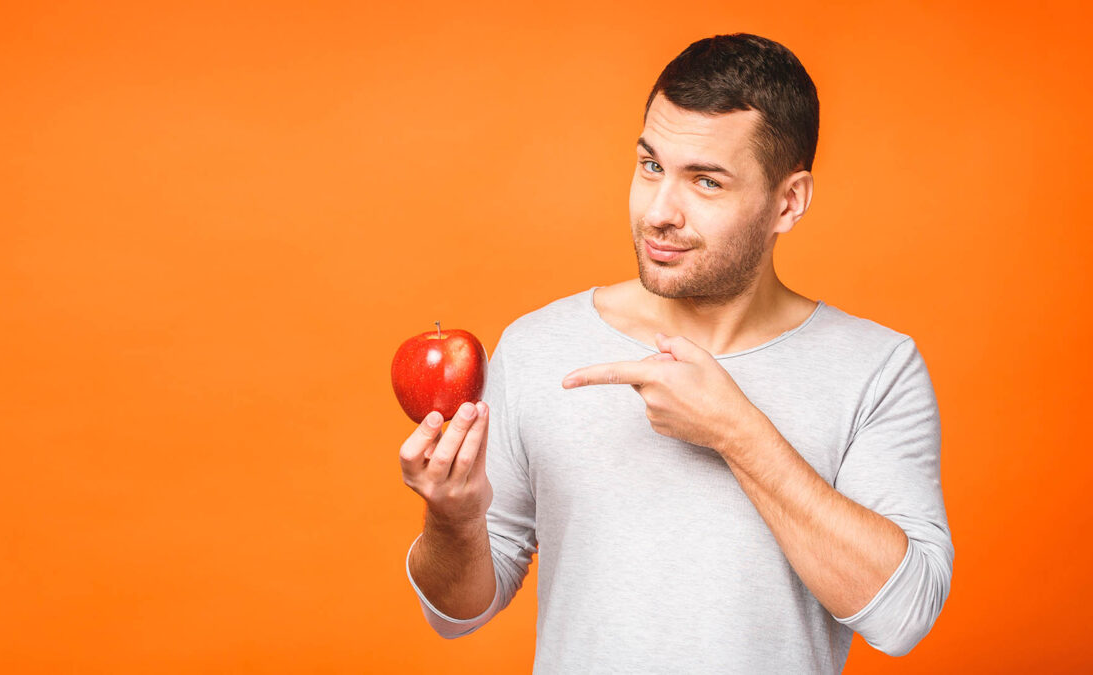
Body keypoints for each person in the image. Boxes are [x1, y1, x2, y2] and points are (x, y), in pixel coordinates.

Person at [398, 32, 954, 674]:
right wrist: (452, 518)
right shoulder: (537, 346)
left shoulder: (877, 369)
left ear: (789, 202)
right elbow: (456, 611)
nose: (659, 211)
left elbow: (904, 615)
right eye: (651, 165)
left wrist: (736, 432)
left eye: (707, 182)